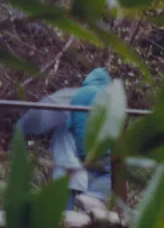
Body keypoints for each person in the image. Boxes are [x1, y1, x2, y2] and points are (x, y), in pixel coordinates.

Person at [16, 68, 113, 211]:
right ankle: (93, 197)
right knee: (107, 173)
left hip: (72, 159)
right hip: (101, 151)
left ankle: (64, 216)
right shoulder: (110, 100)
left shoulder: (69, 98)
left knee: (66, 186)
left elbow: (65, 123)